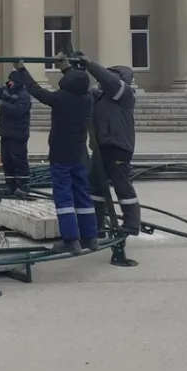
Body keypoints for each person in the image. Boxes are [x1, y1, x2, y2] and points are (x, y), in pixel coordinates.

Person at [14, 54, 97, 255]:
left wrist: (22, 71)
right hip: (79, 153)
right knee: (83, 194)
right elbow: (76, 82)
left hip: (61, 153)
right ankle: (90, 237)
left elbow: (36, 90)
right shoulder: (87, 98)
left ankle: (70, 240)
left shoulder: (61, 99)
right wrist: (66, 68)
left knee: (63, 197)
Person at [75, 53, 141, 237]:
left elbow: (108, 80)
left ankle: (132, 223)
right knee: (95, 187)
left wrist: (90, 65)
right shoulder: (101, 97)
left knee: (122, 186)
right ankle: (96, 225)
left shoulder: (125, 93)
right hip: (102, 148)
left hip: (118, 147)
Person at [0, 69, 32, 196]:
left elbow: (18, 111)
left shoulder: (23, 95)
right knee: (6, 160)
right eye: (9, 80)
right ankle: (10, 185)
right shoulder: (7, 90)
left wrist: (3, 105)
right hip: (6, 132)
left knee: (19, 161)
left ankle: (23, 186)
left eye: (12, 81)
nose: (10, 82)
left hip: (18, 134)